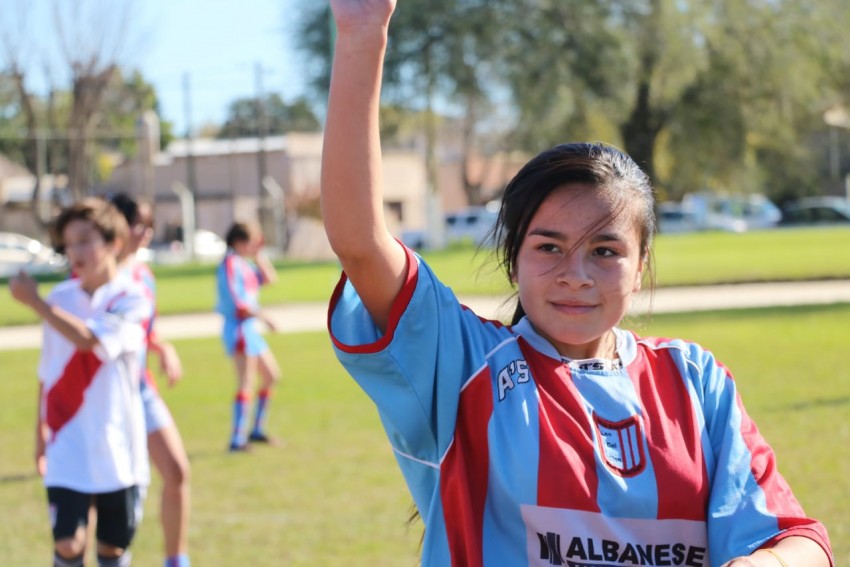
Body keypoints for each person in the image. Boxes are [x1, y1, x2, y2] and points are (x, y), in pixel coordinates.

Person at [320, 2, 834, 566]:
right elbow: (361, 243)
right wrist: (362, 31)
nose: (576, 274)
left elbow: (797, 538)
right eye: (549, 247)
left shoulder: (695, 383)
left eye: (605, 250)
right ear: (513, 261)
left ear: (641, 267)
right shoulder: (464, 365)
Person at [10, 198, 150, 567]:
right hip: (67, 443)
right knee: (69, 544)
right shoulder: (60, 299)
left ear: (114, 243)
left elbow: (91, 341)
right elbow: (48, 370)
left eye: (86, 239)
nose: (76, 251)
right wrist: (40, 435)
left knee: (111, 548)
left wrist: (35, 303)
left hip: (118, 448)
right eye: (69, 243)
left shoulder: (131, 298)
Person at [108, 193, 192, 567]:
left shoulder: (144, 276)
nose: (144, 233)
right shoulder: (97, 274)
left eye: (148, 225)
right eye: (136, 224)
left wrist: (163, 347)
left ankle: (176, 561)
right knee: (112, 490)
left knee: (176, 471)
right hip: (106, 395)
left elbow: (143, 333)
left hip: (141, 389)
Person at [215, 221, 281, 452]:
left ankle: (256, 430)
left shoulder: (244, 264)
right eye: (251, 241)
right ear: (240, 242)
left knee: (272, 375)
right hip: (240, 328)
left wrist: (259, 255)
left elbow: (270, 279)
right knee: (246, 382)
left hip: (251, 329)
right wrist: (264, 316)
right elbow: (238, 303)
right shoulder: (230, 265)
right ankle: (237, 439)